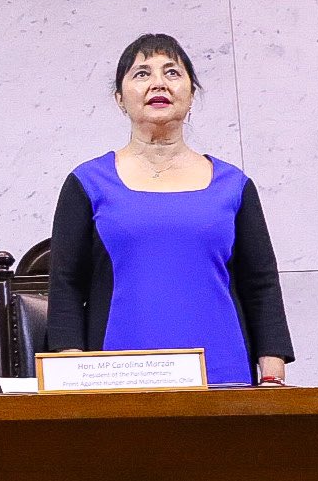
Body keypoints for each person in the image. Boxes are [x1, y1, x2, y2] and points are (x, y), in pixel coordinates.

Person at [46, 34, 294, 387]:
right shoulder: (87, 183)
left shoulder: (234, 185)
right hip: (116, 378)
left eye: (172, 73)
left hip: (225, 375)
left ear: (191, 94)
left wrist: (272, 376)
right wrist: (75, 377)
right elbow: (66, 285)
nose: (158, 83)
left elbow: (262, 285)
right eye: (142, 73)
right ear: (120, 98)